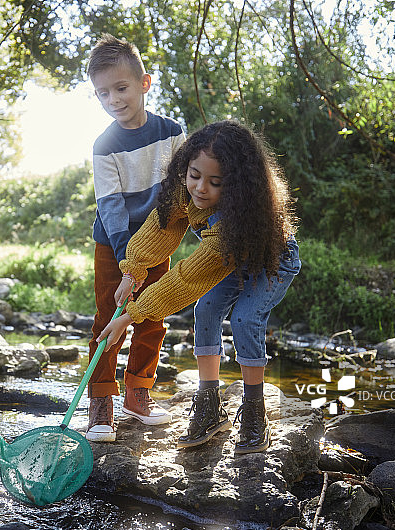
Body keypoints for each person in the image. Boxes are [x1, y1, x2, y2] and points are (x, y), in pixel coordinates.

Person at [97, 119, 301, 453]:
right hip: (229, 264)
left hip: (271, 263)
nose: (200, 188)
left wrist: (132, 315)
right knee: (205, 310)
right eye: (194, 175)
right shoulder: (185, 190)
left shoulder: (234, 223)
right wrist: (131, 272)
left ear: (236, 187)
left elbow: (187, 278)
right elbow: (160, 229)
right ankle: (209, 405)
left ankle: (254, 413)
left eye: (215, 182)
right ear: (185, 167)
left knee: (245, 320)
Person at [85, 34, 186, 443]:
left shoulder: (173, 132)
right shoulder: (104, 145)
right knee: (109, 319)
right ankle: (101, 399)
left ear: (144, 83)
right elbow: (110, 207)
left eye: (120, 88)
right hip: (114, 244)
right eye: (102, 93)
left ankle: (138, 393)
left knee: (152, 317)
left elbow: (185, 191)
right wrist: (130, 263)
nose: (112, 99)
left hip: (158, 241)